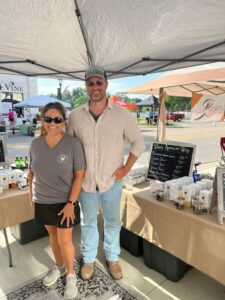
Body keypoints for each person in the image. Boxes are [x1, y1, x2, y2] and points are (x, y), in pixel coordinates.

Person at [67, 66, 145, 281]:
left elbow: (138, 143)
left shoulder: (121, 114)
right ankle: (89, 259)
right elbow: (68, 147)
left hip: (112, 181)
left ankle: (112, 257)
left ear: (106, 84)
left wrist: (126, 168)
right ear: (86, 86)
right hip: (86, 183)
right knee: (88, 222)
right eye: (90, 83)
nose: (95, 87)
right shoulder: (75, 116)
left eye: (99, 82)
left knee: (112, 222)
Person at [28, 102, 86, 299]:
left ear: (64, 121)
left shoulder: (72, 144)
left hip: (64, 202)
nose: (52, 123)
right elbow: (31, 171)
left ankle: (70, 276)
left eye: (57, 119)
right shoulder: (35, 144)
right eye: (48, 119)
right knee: (52, 236)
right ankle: (59, 266)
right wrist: (31, 195)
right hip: (42, 199)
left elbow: (80, 175)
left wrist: (71, 203)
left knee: (65, 239)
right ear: (42, 120)